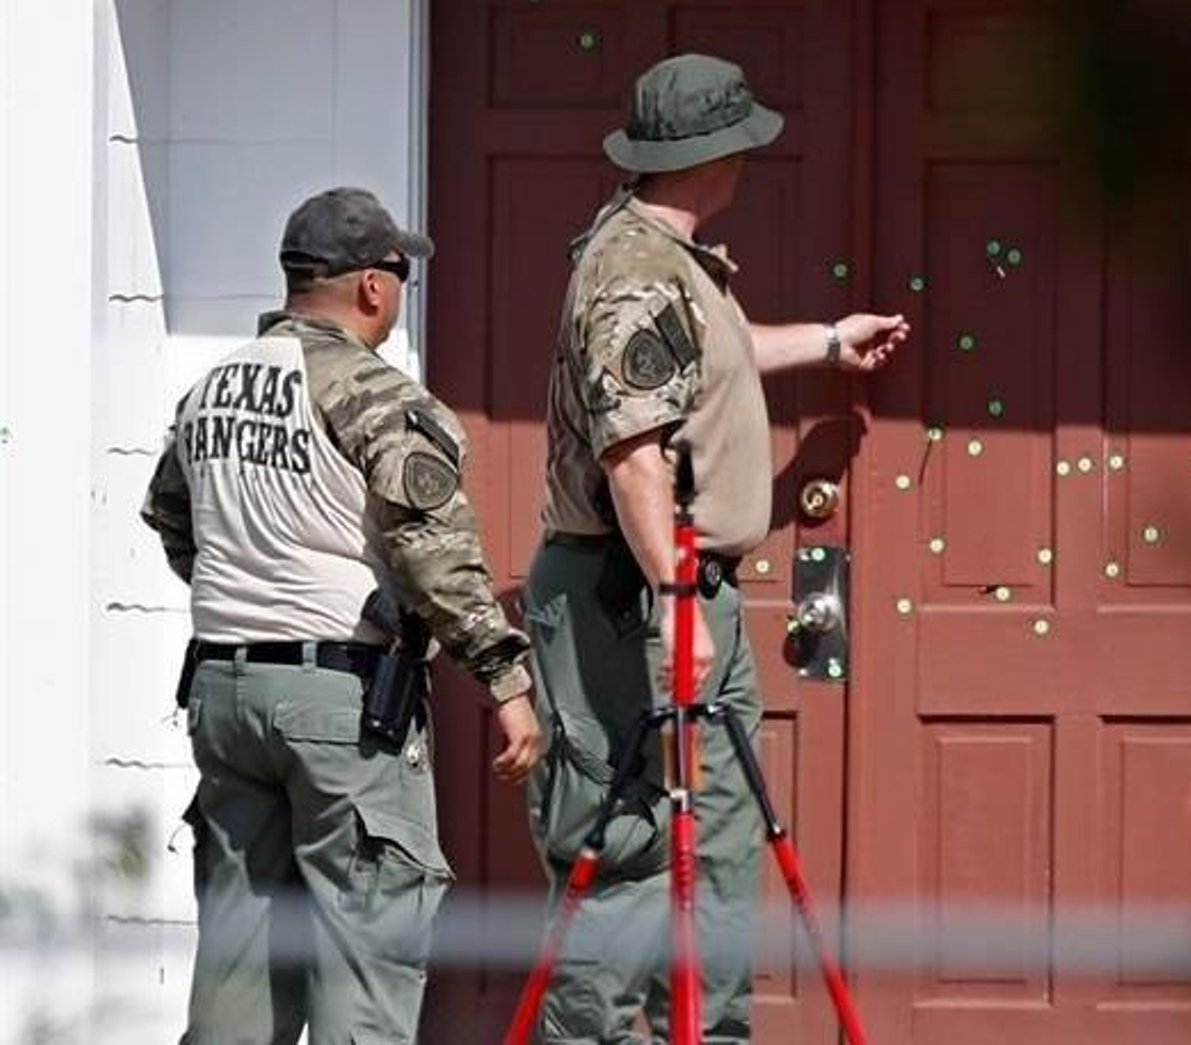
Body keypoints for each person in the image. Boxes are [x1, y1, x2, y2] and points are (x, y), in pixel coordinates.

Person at [522, 54, 909, 1044]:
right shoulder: (631, 274)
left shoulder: (677, 265)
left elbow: (714, 358)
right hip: (636, 593)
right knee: (627, 845)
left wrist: (827, 341)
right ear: (716, 153)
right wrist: (678, 598)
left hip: (689, 590)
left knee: (724, 849)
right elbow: (632, 452)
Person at [141, 186, 541, 1044]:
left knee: (238, 966)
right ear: (370, 286)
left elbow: (174, 520)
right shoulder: (372, 394)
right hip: (338, 705)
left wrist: (252, 592)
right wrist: (506, 680)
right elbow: (435, 552)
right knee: (366, 957)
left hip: (221, 689)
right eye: (401, 274)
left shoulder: (210, 390)